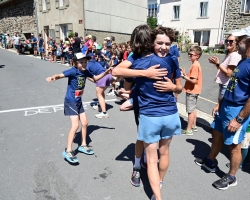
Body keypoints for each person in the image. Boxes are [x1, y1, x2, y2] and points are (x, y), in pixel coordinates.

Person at [194, 25, 250, 190]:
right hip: (226, 106)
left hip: (237, 110)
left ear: (249, 40)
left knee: (234, 145)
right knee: (217, 135)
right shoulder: (244, 60)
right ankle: (210, 161)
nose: (236, 42)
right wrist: (220, 103)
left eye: (239, 39)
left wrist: (239, 119)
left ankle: (231, 176)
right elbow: (233, 86)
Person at [113, 25, 182, 200]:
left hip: (150, 114)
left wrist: (170, 85)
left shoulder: (138, 60)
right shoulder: (172, 58)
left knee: (151, 159)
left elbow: (116, 71)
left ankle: (157, 196)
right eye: (160, 43)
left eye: (166, 43)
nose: (163, 47)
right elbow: (179, 86)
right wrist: (173, 86)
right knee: (164, 153)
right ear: (152, 42)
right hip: (171, 114)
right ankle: (158, 182)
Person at [46, 53, 112, 163]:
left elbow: (95, 78)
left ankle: (83, 145)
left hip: (78, 101)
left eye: (85, 62)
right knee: (75, 125)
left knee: (85, 123)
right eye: (81, 62)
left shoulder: (85, 71)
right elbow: (60, 75)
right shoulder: (73, 71)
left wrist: (105, 72)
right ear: (76, 64)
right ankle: (68, 150)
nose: (84, 64)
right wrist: (53, 77)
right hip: (70, 101)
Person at [209, 35, 242, 102]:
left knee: (221, 107)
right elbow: (222, 69)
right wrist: (216, 63)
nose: (228, 42)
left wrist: (218, 64)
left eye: (231, 41)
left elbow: (228, 73)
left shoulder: (234, 55)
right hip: (223, 85)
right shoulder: (230, 54)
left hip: (226, 86)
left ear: (236, 43)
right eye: (227, 41)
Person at [181, 46, 203, 135]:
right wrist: (185, 74)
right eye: (188, 54)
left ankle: (189, 129)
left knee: (190, 111)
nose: (189, 56)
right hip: (196, 90)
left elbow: (193, 80)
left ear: (197, 56)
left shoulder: (194, 65)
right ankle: (193, 126)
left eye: (191, 54)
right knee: (193, 109)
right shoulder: (197, 64)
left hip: (191, 91)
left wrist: (183, 77)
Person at [86, 52, 114, 118]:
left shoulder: (88, 65)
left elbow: (87, 75)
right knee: (101, 93)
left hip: (102, 77)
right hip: (109, 76)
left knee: (98, 94)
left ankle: (104, 113)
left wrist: (94, 80)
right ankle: (101, 107)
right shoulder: (97, 63)